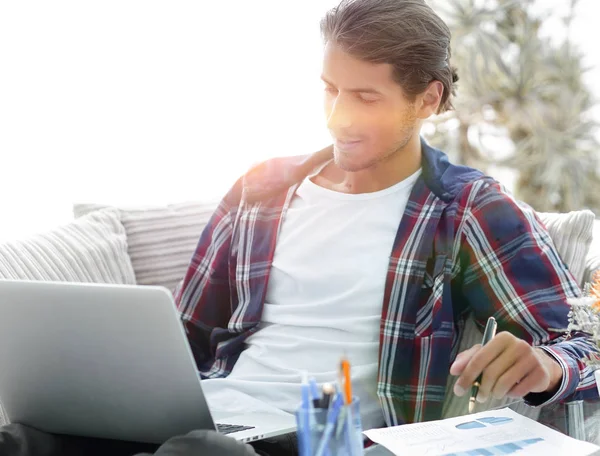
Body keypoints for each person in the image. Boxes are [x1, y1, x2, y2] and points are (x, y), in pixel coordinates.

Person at [1, 0, 598, 455]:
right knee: (23, 439)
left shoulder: (465, 207)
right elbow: (181, 339)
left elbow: (586, 343)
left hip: (327, 436)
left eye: (365, 96)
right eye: (331, 90)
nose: (339, 114)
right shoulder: (262, 188)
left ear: (426, 99)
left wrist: (547, 367)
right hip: (215, 416)